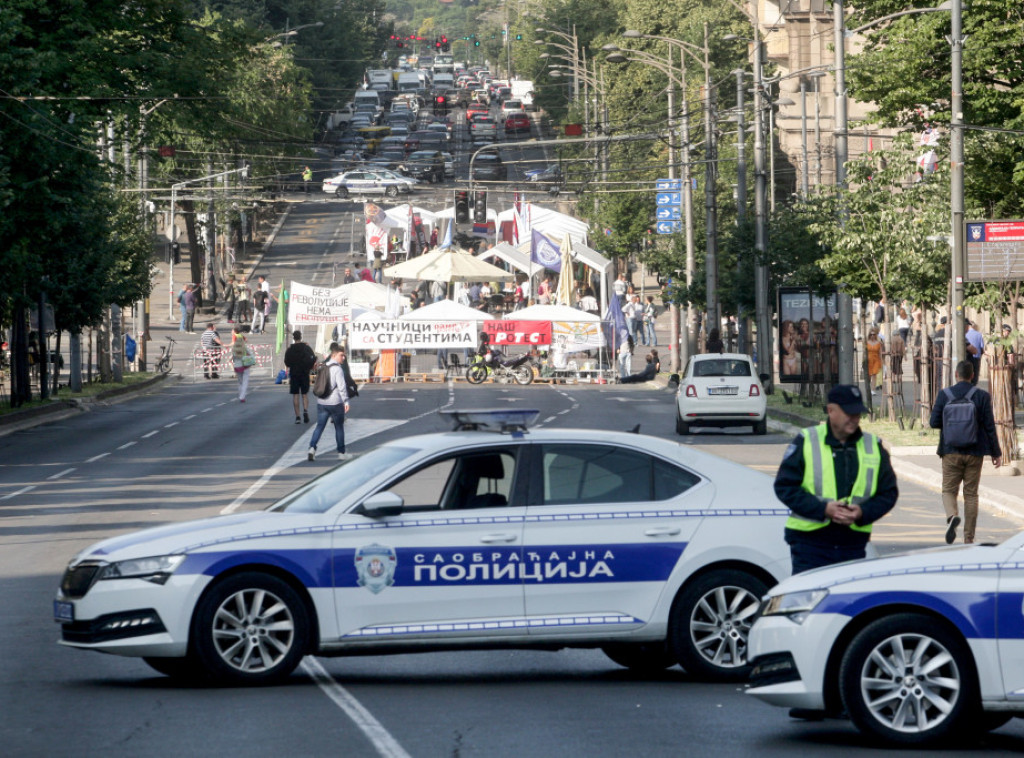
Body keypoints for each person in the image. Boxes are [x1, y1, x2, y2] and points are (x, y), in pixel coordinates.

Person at [773, 384, 899, 574]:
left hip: (852, 544)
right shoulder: (807, 440)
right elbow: (785, 486)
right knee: (810, 600)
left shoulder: (873, 445)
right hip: (809, 543)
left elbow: (888, 493)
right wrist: (823, 509)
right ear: (831, 410)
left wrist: (862, 512)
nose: (855, 418)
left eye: (858, 413)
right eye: (849, 413)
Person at [929, 360, 1002, 544]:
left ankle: (952, 516)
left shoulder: (944, 395)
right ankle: (969, 537)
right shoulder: (982, 396)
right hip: (975, 452)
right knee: (970, 494)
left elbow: (933, 422)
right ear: (972, 376)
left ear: (955, 374)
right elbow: (989, 426)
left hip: (950, 450)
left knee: (948, 490)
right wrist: (996, 452)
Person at [308, 343, 351, 461]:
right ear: (334, 355)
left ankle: (312, 448)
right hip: (335, 402)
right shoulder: (338, 369)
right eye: (341, 355)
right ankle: (341, 453)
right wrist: (346, 401)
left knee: (319, 427)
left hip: (322, 401)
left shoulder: (323, 366)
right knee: (339, 427)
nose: (343, 358)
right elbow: (342, 387)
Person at [284, 330, 317, 424]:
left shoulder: (290, 349)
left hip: (294, 373)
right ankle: (305, 410)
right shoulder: (306, 348)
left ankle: (297, 416)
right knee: (304, 394)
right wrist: (309, 367)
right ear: (300, 337)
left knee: (295, 395)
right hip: (304, 373)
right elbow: (313, 358)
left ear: (293, 338)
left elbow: (286, 362)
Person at [230, 326, 253, 402]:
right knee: (245, 380)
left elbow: (232, 358)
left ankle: (240, 394)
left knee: (240, 381)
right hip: (245, 365)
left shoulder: (234, 348)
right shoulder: (244, 347)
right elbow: (251, 354)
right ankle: (242, 396)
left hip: (237, 365)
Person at [965, 320, 984, 385]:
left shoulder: (965, 335)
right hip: (976, 358)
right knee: (974, 377)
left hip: (966, 359)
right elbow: (982, 348)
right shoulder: (979, 334)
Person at [865, 327, 883, 392]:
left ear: (876, 335)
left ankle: (873, 389)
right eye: (871, 334)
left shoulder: (879, 343)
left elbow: (880, 353)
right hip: (868, 360)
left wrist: (882, 361)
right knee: (869, 375)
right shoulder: (866, 342)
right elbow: (864, 353)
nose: (872, 336)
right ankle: (869, 388)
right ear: (869, 335)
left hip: (876, 360)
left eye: (874, 334)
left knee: (874, 375)